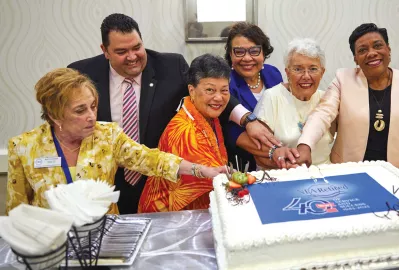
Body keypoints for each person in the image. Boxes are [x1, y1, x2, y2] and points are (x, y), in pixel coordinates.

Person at [68, 14, 278, 214]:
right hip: (108, 180)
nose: (132, 57)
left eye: (137, 47)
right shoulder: (82, 74)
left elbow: (212, 90)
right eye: (122, 51)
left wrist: (248, 119)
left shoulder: (170, 66)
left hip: (160, 173)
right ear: (105, 50)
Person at [6, 68, 226, 215]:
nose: (92, 116)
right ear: (55, 115)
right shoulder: (23, 147)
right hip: (51, 246)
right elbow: (17, 208)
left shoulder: (107, 136)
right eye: (80, 110)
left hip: (104, 240)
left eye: (93, 106)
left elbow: (151, 159)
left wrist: (202, 170)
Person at [297, 23, 399, 183]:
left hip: (393, 179)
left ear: (388, 50)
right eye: (362, 50)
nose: (371, 53)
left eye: (377, 46)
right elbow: (322, 114)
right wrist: (305, 145)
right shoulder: (343, 79)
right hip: (346, 176)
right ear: (356, 59)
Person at [139, 54, 230, 212]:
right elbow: (212, 183)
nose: (218, 97)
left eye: (224, 90)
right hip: (167, 218)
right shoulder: (185, 131)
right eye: (210, 90)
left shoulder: (206, 114)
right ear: (192, 91)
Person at [224, 22, 294, 171]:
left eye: (254, 51)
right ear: (230, 55)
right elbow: (231, 131)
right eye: (239, 52)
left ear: (263, 52)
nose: (247, 58)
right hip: (243, 164)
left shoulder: (273, 73)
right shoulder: (225, 82)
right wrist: (274, 152)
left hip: (281, 159)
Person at [253, 38, 333, 168]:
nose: (306, 76)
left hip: (325, 176)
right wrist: (285, 165)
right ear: (287, 72)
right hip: (284, 175)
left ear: (322, 72)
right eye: (298, 69)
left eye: (313, 69)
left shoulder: (326, 99)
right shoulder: (272, 97)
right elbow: (259, 154)